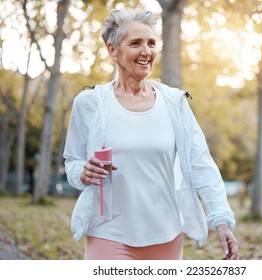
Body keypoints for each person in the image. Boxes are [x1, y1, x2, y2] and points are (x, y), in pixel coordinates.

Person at [63, 7, 238, 260]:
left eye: (151, 43)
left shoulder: (174, 102)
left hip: (166, 236)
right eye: (135, 43)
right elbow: (72, 162)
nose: (146, 51)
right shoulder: (89, 103)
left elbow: (201, 163)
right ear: (113, 50)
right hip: (108, 233)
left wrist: (221, 220)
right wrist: (83, 171)